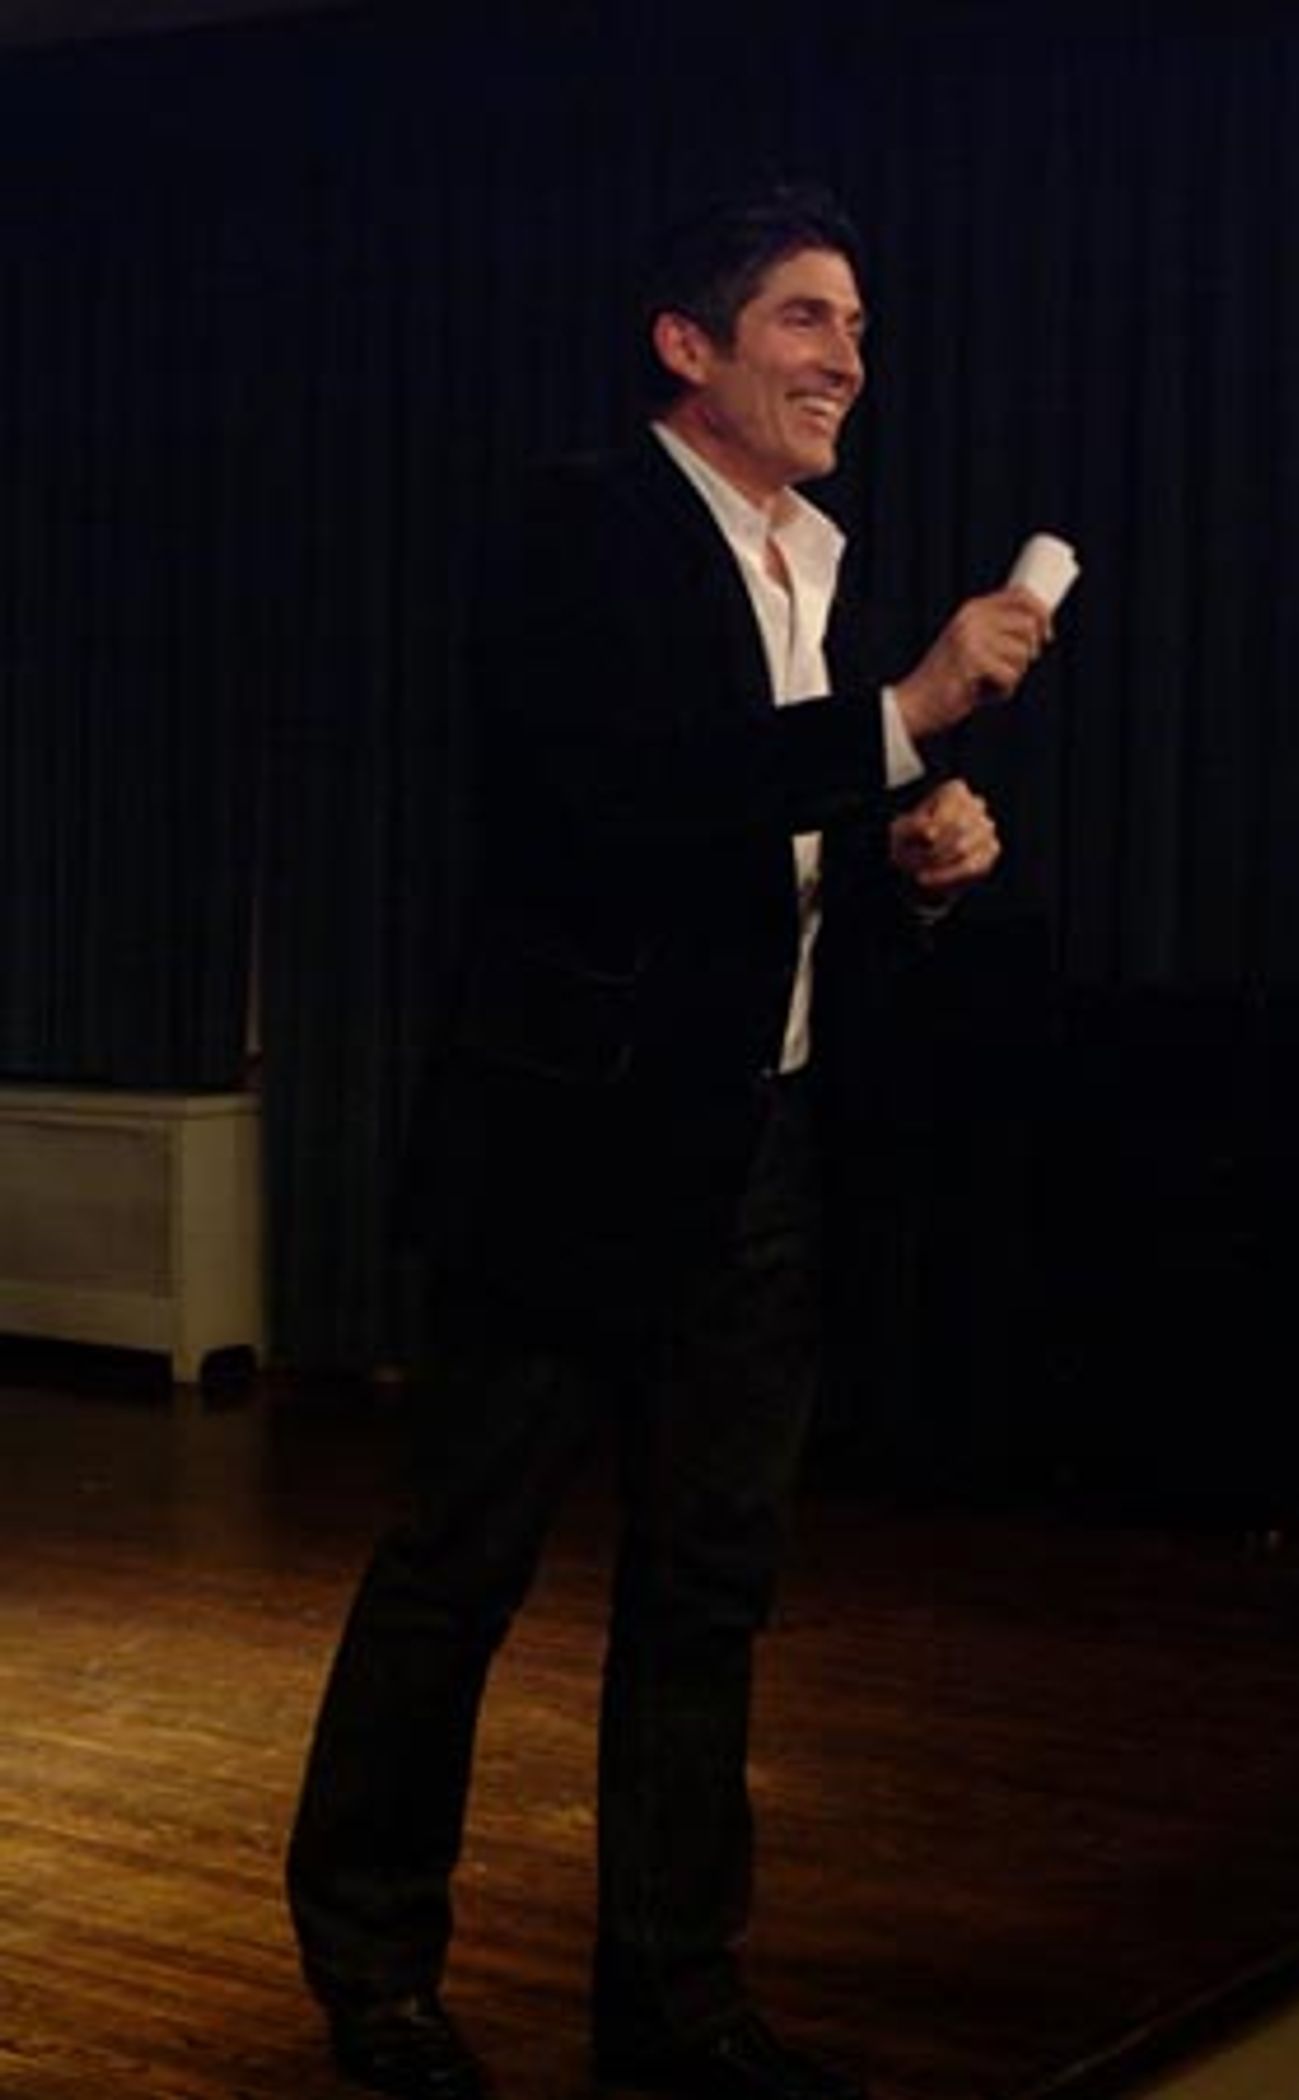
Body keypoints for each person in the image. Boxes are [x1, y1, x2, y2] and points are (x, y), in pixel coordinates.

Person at [285, 183, 1055, 2100]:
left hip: (757, 1159)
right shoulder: (582, 526)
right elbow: (623, 802)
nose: (847, 360)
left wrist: (915, 859)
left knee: (710, 1592)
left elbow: (769, 862)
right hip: (571, 1154)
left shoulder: (821, 563)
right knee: (458, 1570)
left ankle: (677, 2004)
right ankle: (376, 1983)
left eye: (858, 327)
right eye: (805, 319)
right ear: (688, 346)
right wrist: (903, 718)